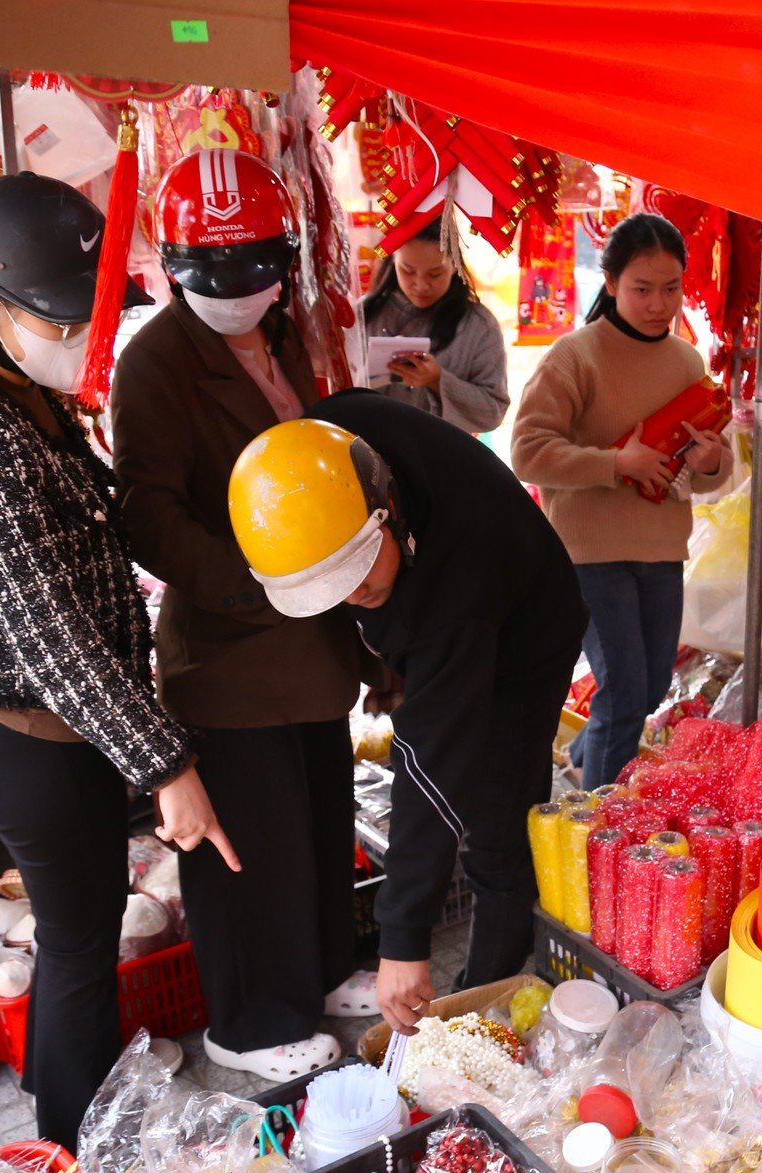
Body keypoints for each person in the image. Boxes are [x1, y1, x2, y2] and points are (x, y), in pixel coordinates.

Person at [0, 172, 239, 1149]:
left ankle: (69, 1131)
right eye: (61, 319)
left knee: (77, 943)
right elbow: (48, 630)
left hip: (60, 725)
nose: (82, 340)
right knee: (83, 949)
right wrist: (166, 766)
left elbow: (100, 511)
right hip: (27, 735)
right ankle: (76, 1151)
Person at [111, 148, 367, 1082]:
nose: (234, 290)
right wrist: (252, 588)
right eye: (210, 273)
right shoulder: (154, 363)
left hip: (315, 636)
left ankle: (325, 970)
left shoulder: (288, 331)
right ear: (173, 265)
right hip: (230, 646)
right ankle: (250, 1024)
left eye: (254, 268)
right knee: (244, 847)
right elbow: (148, 515)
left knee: (313, 819)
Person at [226, 403, 585, 1035]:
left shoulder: (456, 589)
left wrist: (404, 939)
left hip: (529, 632)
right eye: (327, 588)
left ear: (386, 511)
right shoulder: (319, 459)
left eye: (359, 569)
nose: (351, 594)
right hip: (448, 597)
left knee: (498, 822)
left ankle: (484, 1002)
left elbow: (428, 764)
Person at [510, 213, 730, 790]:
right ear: (609, 284)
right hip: (588, 553)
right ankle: (602, 827)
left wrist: (710, 462)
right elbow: (527, 451)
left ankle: (586, 756)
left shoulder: (686, 362)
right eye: (642, 289)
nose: (659, 304)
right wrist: (615, 464)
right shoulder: (575, 357)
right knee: (626, 691)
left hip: (660, 547)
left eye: (671, 288)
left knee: (650, 685)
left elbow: (710, 467)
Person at [361, 222, 510, 433]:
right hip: (370, 454)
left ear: (455, 265)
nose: (421, 285)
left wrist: (437, 380)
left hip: (444, 459)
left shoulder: (479, 326)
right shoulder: (363, 315)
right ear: (393, 261)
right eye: (408, 271)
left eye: (435, 273)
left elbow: (493, 412)